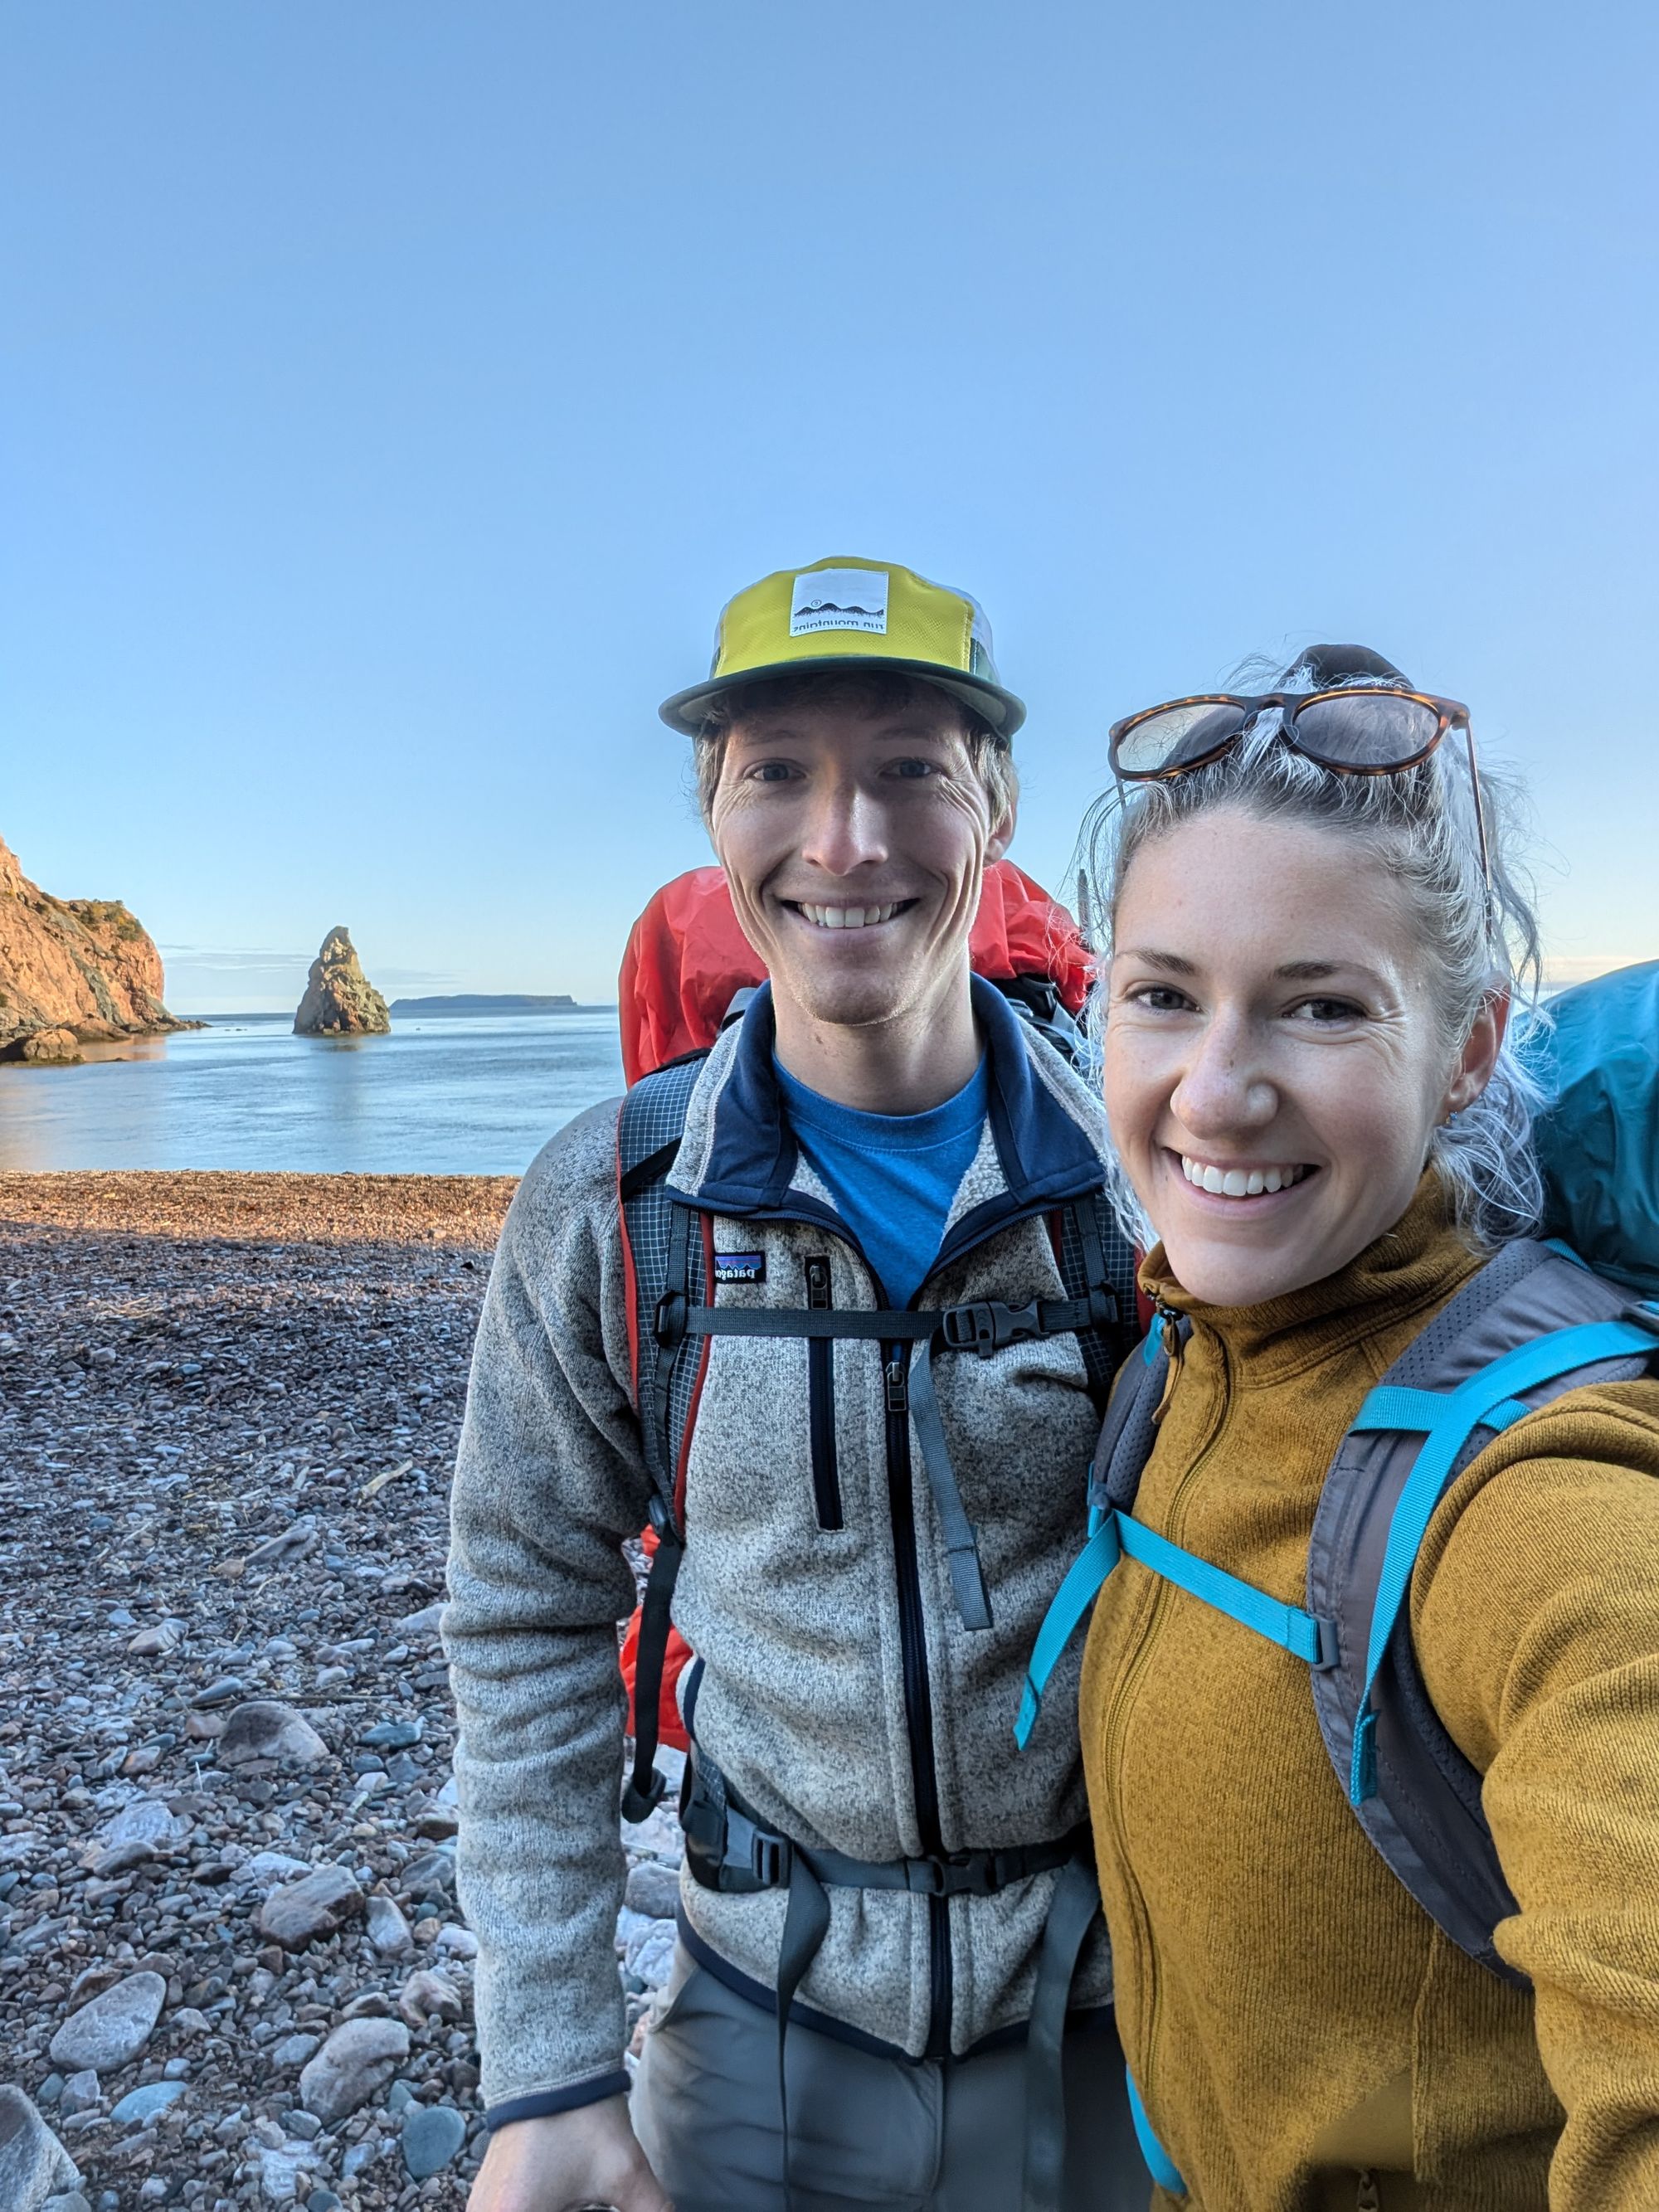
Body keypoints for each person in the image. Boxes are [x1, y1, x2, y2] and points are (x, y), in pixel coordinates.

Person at [445, 557, 1151, 2212]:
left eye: (908, 763)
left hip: (1121, 2015)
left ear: (993, 801)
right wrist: (547, 2063)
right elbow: (522, 1602)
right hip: (760, 2023)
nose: (844, 838)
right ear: (715, 803)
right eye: (780, 770)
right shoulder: (609, 1204)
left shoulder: (1150, 1179)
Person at [1054, 645, 1659, 2208]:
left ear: (1467, 1053)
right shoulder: (1193, 1347)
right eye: (1163, 998)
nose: (1217, 1091)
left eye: (1320, 1007)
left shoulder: (1541, 1502)